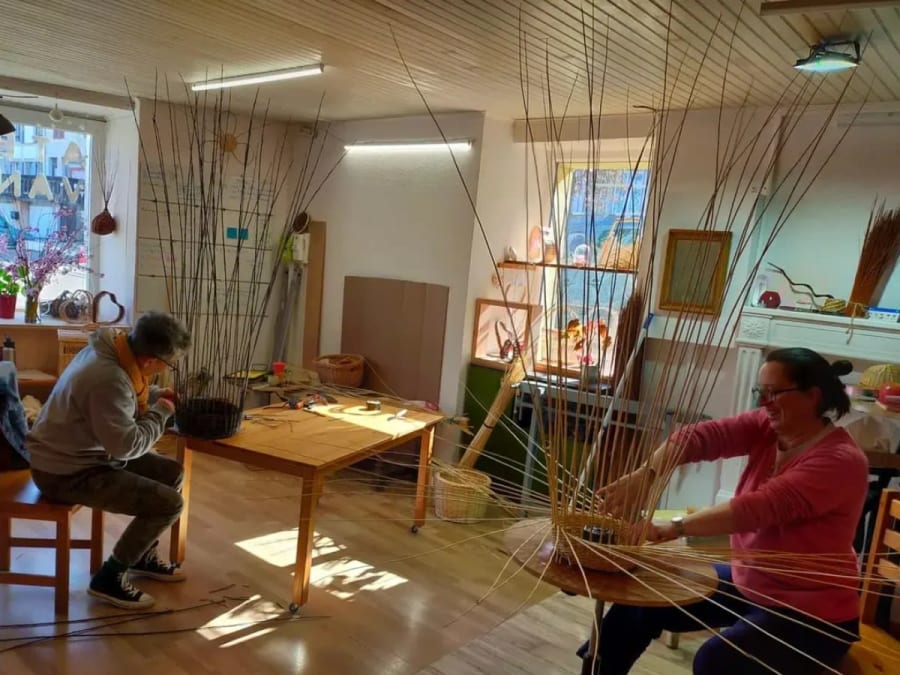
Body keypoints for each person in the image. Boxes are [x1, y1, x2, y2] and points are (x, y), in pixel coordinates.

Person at [577, 347, 869, 675]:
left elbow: (757, 509)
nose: (763, 403)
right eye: (761, 392)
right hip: (751, 585)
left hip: (812, 616)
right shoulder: (769, 427)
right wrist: (646, 475)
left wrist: (672, 527)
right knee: (639, 604)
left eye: (774, 394)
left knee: (716, 662)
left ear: (812, 396)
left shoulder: (840, 461)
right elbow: (699, 437)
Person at [27, 312, 192, 610]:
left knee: (172, 473)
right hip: (64, 472)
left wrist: (154, 394)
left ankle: (140, 554)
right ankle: (109, 579)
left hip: (78, 454)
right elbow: (126, 447)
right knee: (170, 504)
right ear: (149, 360)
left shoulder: (111, 348)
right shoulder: (108, 377)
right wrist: (162, 411)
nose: (163, 371)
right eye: (167, 364)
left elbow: (127, 395)